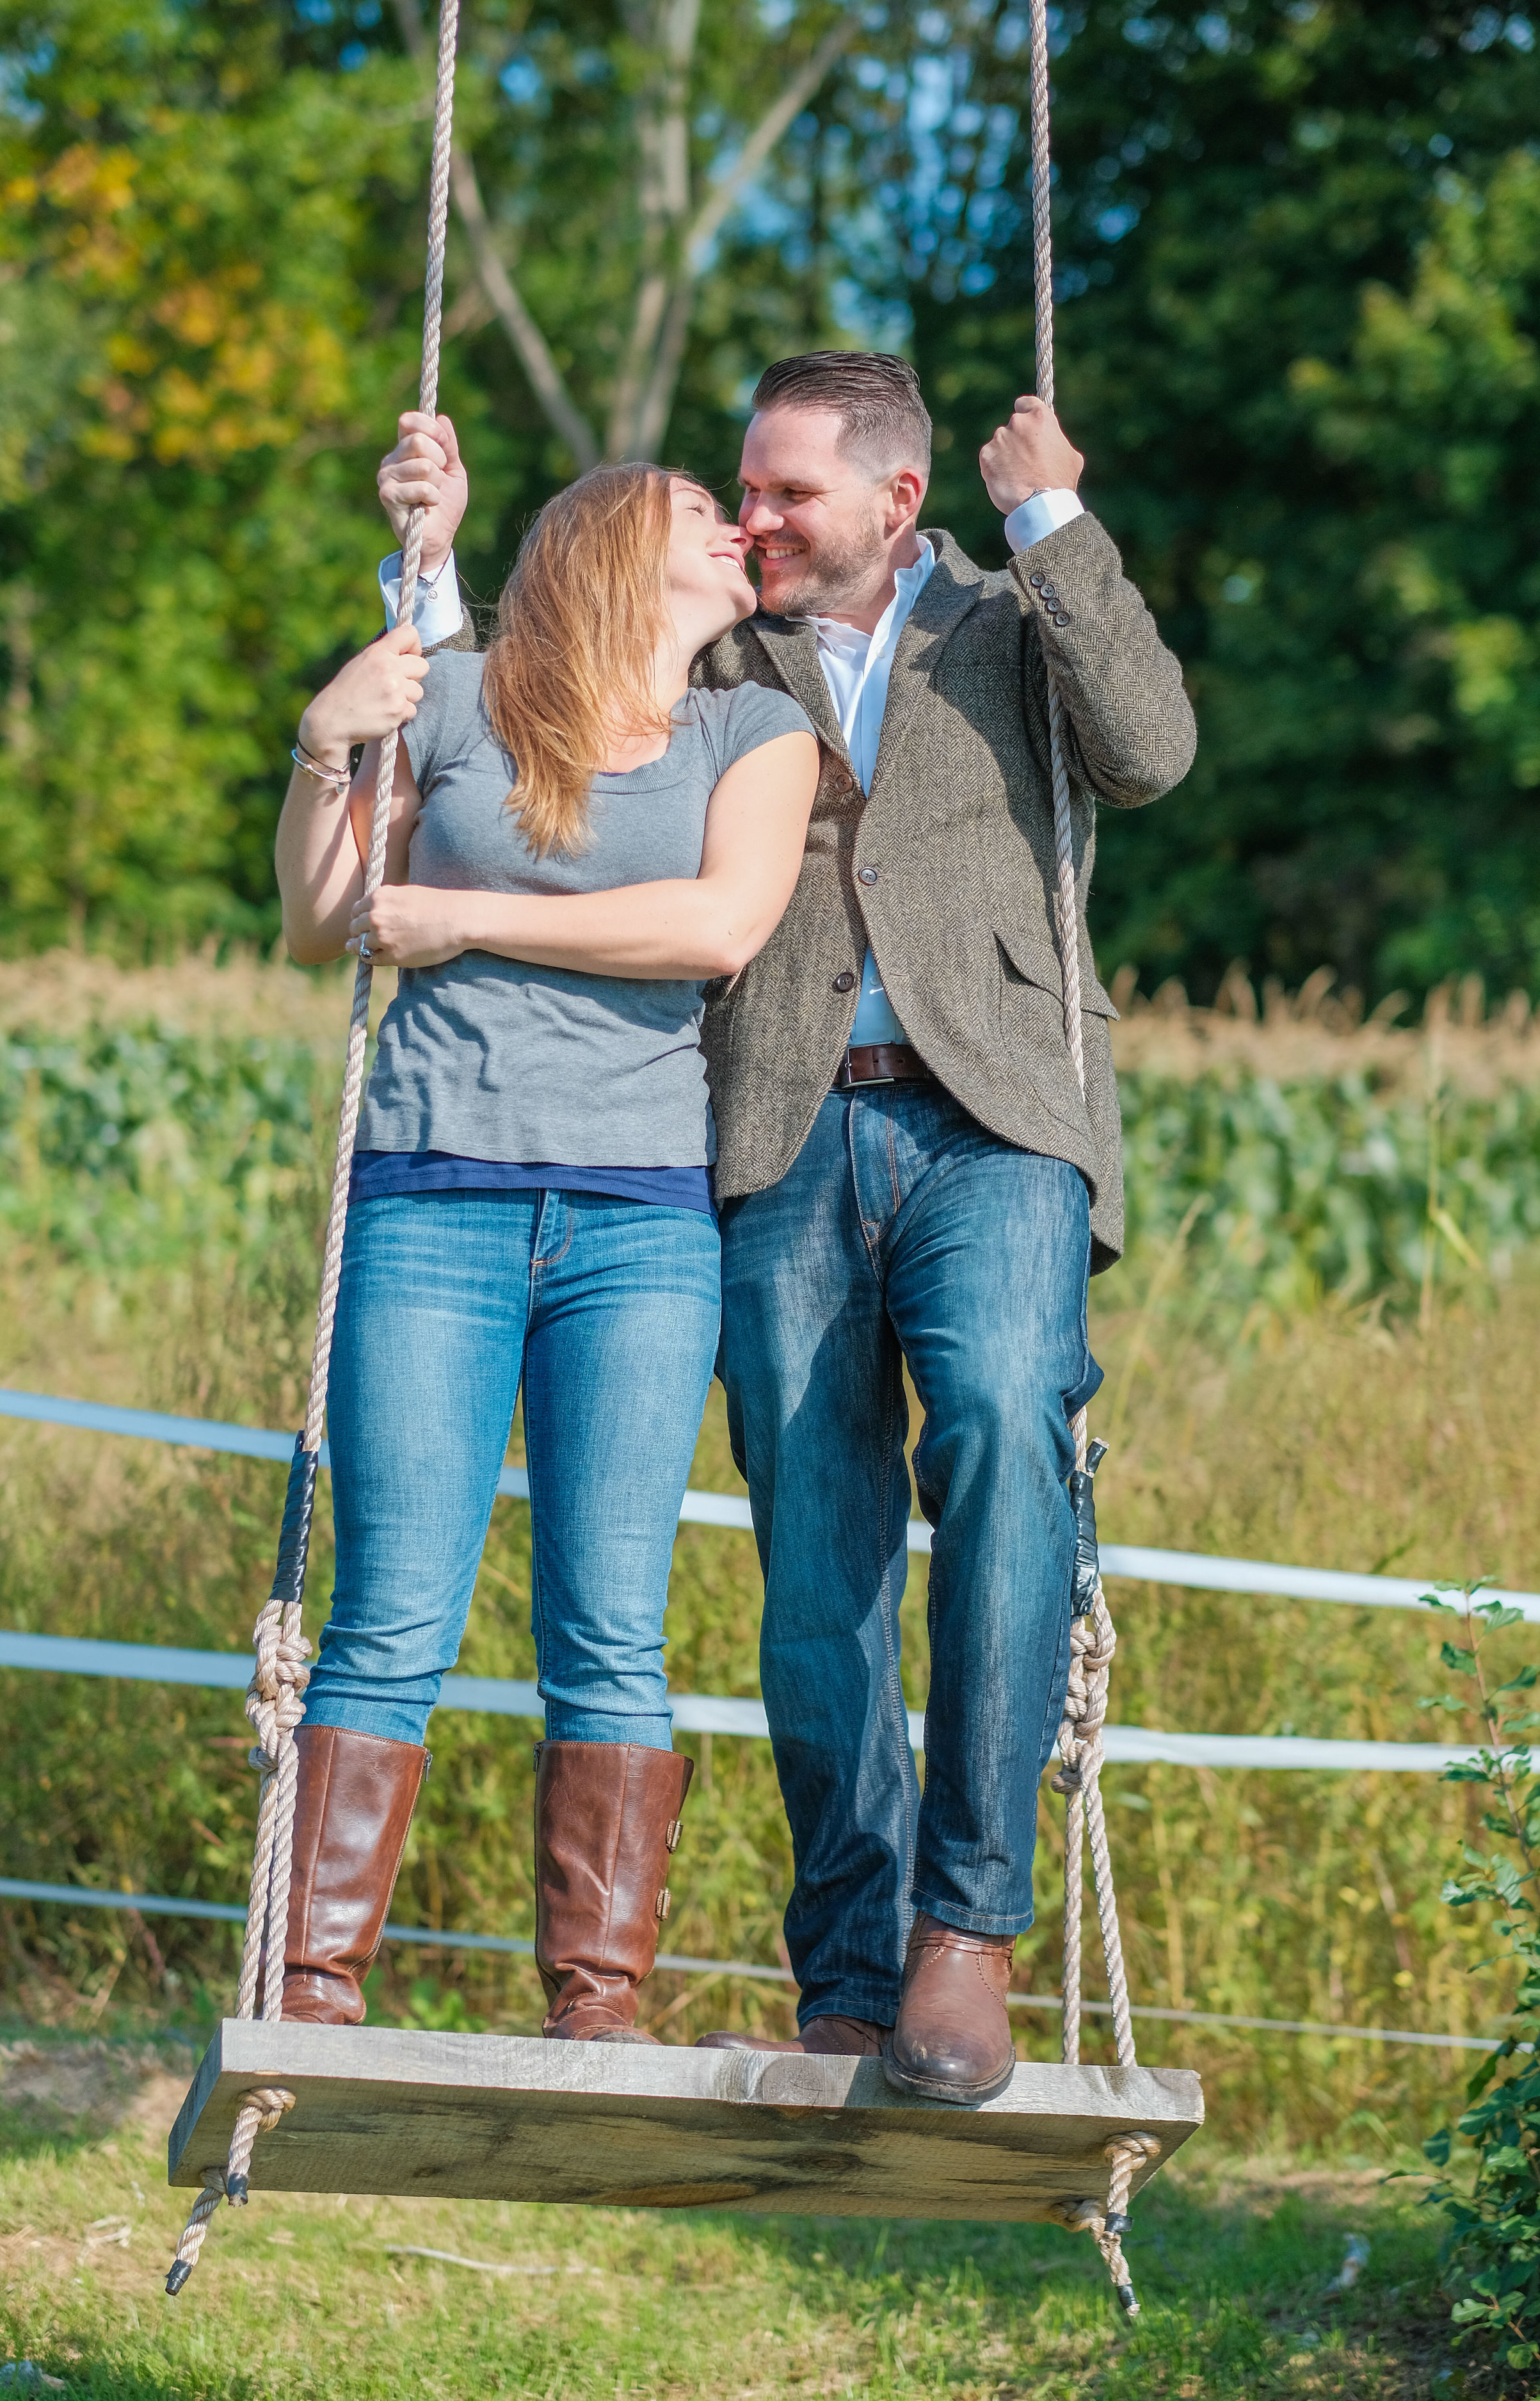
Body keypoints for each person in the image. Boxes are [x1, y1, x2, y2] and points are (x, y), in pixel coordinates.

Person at [374, 350, 1196, 2100]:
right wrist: (430, 563)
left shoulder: (1010, 616)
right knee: (812, 1555)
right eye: (737, 492)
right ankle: (844, 1971)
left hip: (991, 1121)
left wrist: (1052, 511)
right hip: (777, 1123)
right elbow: (526, 686)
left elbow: (1150, 747)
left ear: (895, 501)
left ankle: (960, 1934)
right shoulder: (721, 649)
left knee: (994, 1430)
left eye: (783, 494)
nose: (748, 520)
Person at [273, 463, 819, 2042]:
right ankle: (309, 1986)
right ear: (603, 552)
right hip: (429, 1200)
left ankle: (596, 2004)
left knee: (609, 1626)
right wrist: (325, 745)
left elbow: (716, 930)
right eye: (697, 504)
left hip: (636, 1224)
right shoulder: (450, 703)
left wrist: (471, 919)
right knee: (389, 1616)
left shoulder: (751, 732)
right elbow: (325, 919)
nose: (735, 522)